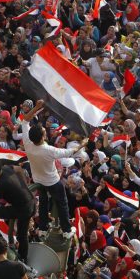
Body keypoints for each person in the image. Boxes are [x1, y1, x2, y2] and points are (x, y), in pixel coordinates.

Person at [21, 100, 87, 238]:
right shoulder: (49, 150)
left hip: (38, 180)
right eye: (45, 131)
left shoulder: (27, 143)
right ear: (43, 137)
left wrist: (37, 107)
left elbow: (25, 121)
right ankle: (67, 231)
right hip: (53, 182)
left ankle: (43, 229)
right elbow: (70, 152)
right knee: (62, 204)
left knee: (44, 203)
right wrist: (83, 144)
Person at [0, 157, 36, 262]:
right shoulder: (6, 168)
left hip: (23, 210)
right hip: (30, 204)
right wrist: (23, 186)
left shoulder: (0, 184)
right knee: (22, 235)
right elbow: (19, 169)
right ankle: (23, 258)